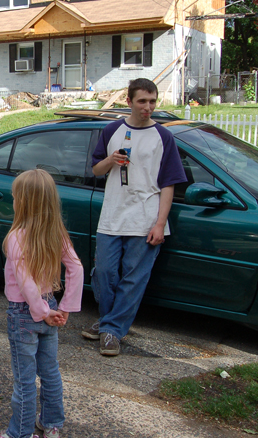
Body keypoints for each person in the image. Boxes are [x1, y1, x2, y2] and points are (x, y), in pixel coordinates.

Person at [83, 78, 186, 356]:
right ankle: (109, 323)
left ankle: (112, 331)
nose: (148, 107)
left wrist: (160, 224)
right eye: (142, 101)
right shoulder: (113, 130)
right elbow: (95, 170)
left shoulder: (163, 137)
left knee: (133, 279)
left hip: (145, 220)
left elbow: (169, 184)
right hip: (112, 217)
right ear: (128, 101)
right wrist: (110, 160)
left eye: (152, 101)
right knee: (103, 274)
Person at [0, 169, 84, 438]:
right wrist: (63, 308)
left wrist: (41, 312)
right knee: (50, 372)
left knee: (25, 379)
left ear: (26, 201)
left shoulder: (17, 237)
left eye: (16, 197)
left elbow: (25, 282)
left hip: (25, 314)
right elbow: (76, 268)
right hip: (50, 307)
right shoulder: (58, 233)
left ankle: (19, 433)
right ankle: (52, 425)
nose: (14, 202)